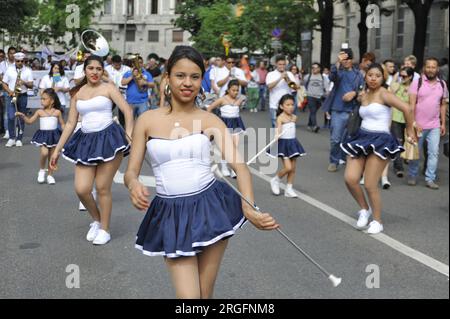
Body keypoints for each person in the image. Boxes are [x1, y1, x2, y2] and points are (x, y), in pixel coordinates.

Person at [124, 46, 278, 299]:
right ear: (167, 77)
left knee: (204, 296)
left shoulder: (209, 120)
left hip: (211, 207)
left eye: (195, 77)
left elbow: (239, 166)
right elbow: (131, 171)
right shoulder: (147, 120)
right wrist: (133, 185)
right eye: (180, 76)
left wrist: (249, 207)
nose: (187, 83)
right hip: (171, 213)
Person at [49, 55, 134, 245]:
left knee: (103, 187)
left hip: (109, 139)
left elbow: (127, 111)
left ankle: (105, 229)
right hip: (85, 141)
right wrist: (57, 150)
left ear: (102, 71)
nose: (95, 72)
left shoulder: (109, 88)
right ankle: (96, 219)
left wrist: (128, 135)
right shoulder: (77, 93)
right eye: (91, 68)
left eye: (98, 68)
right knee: (82, 189)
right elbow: (71, 123)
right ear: (84, 70)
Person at [340, 63, 416, 234]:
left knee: (369, 184)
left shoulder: (385, 94)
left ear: (383, 78)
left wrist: (410, 131)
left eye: (378, 76)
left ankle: (377, 221)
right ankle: (364, 209)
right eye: (370, 75)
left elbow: (407, 108)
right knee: (350, 179)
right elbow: (357, 103)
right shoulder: (364, 95)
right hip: (362, 137)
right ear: (365, 77)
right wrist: (353, 95)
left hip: (380, 140)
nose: (373, 78)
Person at [407, 57, 448, 189]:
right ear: (424, 68)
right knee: (416, 152)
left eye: (433, 67)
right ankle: (412, 175)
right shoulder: (416, 83)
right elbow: (411, 106)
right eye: (428, 67)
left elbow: (443, 105)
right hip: (418, 125)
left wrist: (442, 123)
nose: (431, 69)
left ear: (437, 69)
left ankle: (430, 178)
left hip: (435, 125)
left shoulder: (442, 84)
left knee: (434, 153)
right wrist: (412, 123)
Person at [322, 48, 364, 172]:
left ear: (352, 60)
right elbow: (331, 77)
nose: (345, 62)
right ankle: (333, 161)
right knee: (335, 138)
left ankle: (344, 157)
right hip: (338, 109)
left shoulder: (358, 74)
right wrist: (337, 62)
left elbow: (362, 91)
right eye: (343, 60)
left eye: (347, 59)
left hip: (353, 110)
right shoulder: (338, 72)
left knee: (349, 138)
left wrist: (354, 93)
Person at [15, 88, 65, 184]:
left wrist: (66, 130)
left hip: (54, 136)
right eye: (41, 99)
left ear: (52, 101)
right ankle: (42, 170)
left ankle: (50, 175)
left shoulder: (57, 112)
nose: (41, 101)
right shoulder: (39, 112)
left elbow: (62, 124)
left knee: (53, 157)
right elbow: (29, 121)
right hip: (43, 136)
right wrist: (23, 116)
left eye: (44, 99)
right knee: (44, 153)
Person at [268, 94, 306, 198]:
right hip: (284, 144)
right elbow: (278, 129)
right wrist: (277, 135)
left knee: (293, 168)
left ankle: (289, 189)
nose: (290, 107)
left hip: (293, 143)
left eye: (292, 104)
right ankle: (275, 179)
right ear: (281, 106)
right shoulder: (280, 118)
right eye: (287, 105)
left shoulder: (294, 117)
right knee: (288, 167)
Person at [207, 79, 246, 178]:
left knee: (235, 148)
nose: (235, 92)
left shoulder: (240, 99)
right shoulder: (222, 99)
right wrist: (212, 120)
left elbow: (239, 108)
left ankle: (233, 169)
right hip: (225, 124)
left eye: (237, 90)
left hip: (236, 124)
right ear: (228, 90)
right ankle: (224, 167)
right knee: (225, 147)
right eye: (233, 90)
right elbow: (210, 108)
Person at [2, 52, 34, 147]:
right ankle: (12, 138)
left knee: (21, 117)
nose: (20, 62)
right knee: (11, 117)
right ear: (15, 61)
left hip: (23, 95)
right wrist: (9, 91)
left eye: (22, 61)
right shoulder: (9, 70)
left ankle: (19, 138)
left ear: (24, 61)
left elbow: (31, 85)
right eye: (18, 61)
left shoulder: (28, 70)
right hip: (11, 95)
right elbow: (4, 83)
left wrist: (24, 82)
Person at [390, 66, 415, 178]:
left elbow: (413, 106)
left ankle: (405, 159)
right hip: (395, 118)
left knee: (406, 142)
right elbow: (388, 95)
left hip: (407, 119)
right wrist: (396, 78)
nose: (402, 78)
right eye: (401, 75)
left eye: (404, 76)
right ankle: (398, 167)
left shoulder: (413, 89)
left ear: (410, 77)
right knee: (398, 143)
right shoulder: (396, 85)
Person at [266, 55, 297, 128]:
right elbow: (269, 86)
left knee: (287, 126)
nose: (282, 66)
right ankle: (277, 139)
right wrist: (280, 78)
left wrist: (287, 79)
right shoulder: (271, 74)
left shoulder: (289, 74)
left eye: (283, 64)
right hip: (275, 105)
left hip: (287, 105)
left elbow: (294, 87)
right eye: (280, 64)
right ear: (276, 64)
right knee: (276, 126)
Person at [303, 62, 329, 133]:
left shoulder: (323, 77)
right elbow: (305, 84)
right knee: (313, 111)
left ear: (319, 69)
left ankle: (309, 124)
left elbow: (326, 87)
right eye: (313, 68)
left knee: (313, 111)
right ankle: (315, 126)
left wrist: (327, 94)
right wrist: (307, 92)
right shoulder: (308, 76)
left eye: (316, 67)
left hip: (319, 97)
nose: (314, 69)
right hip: (310, 96)